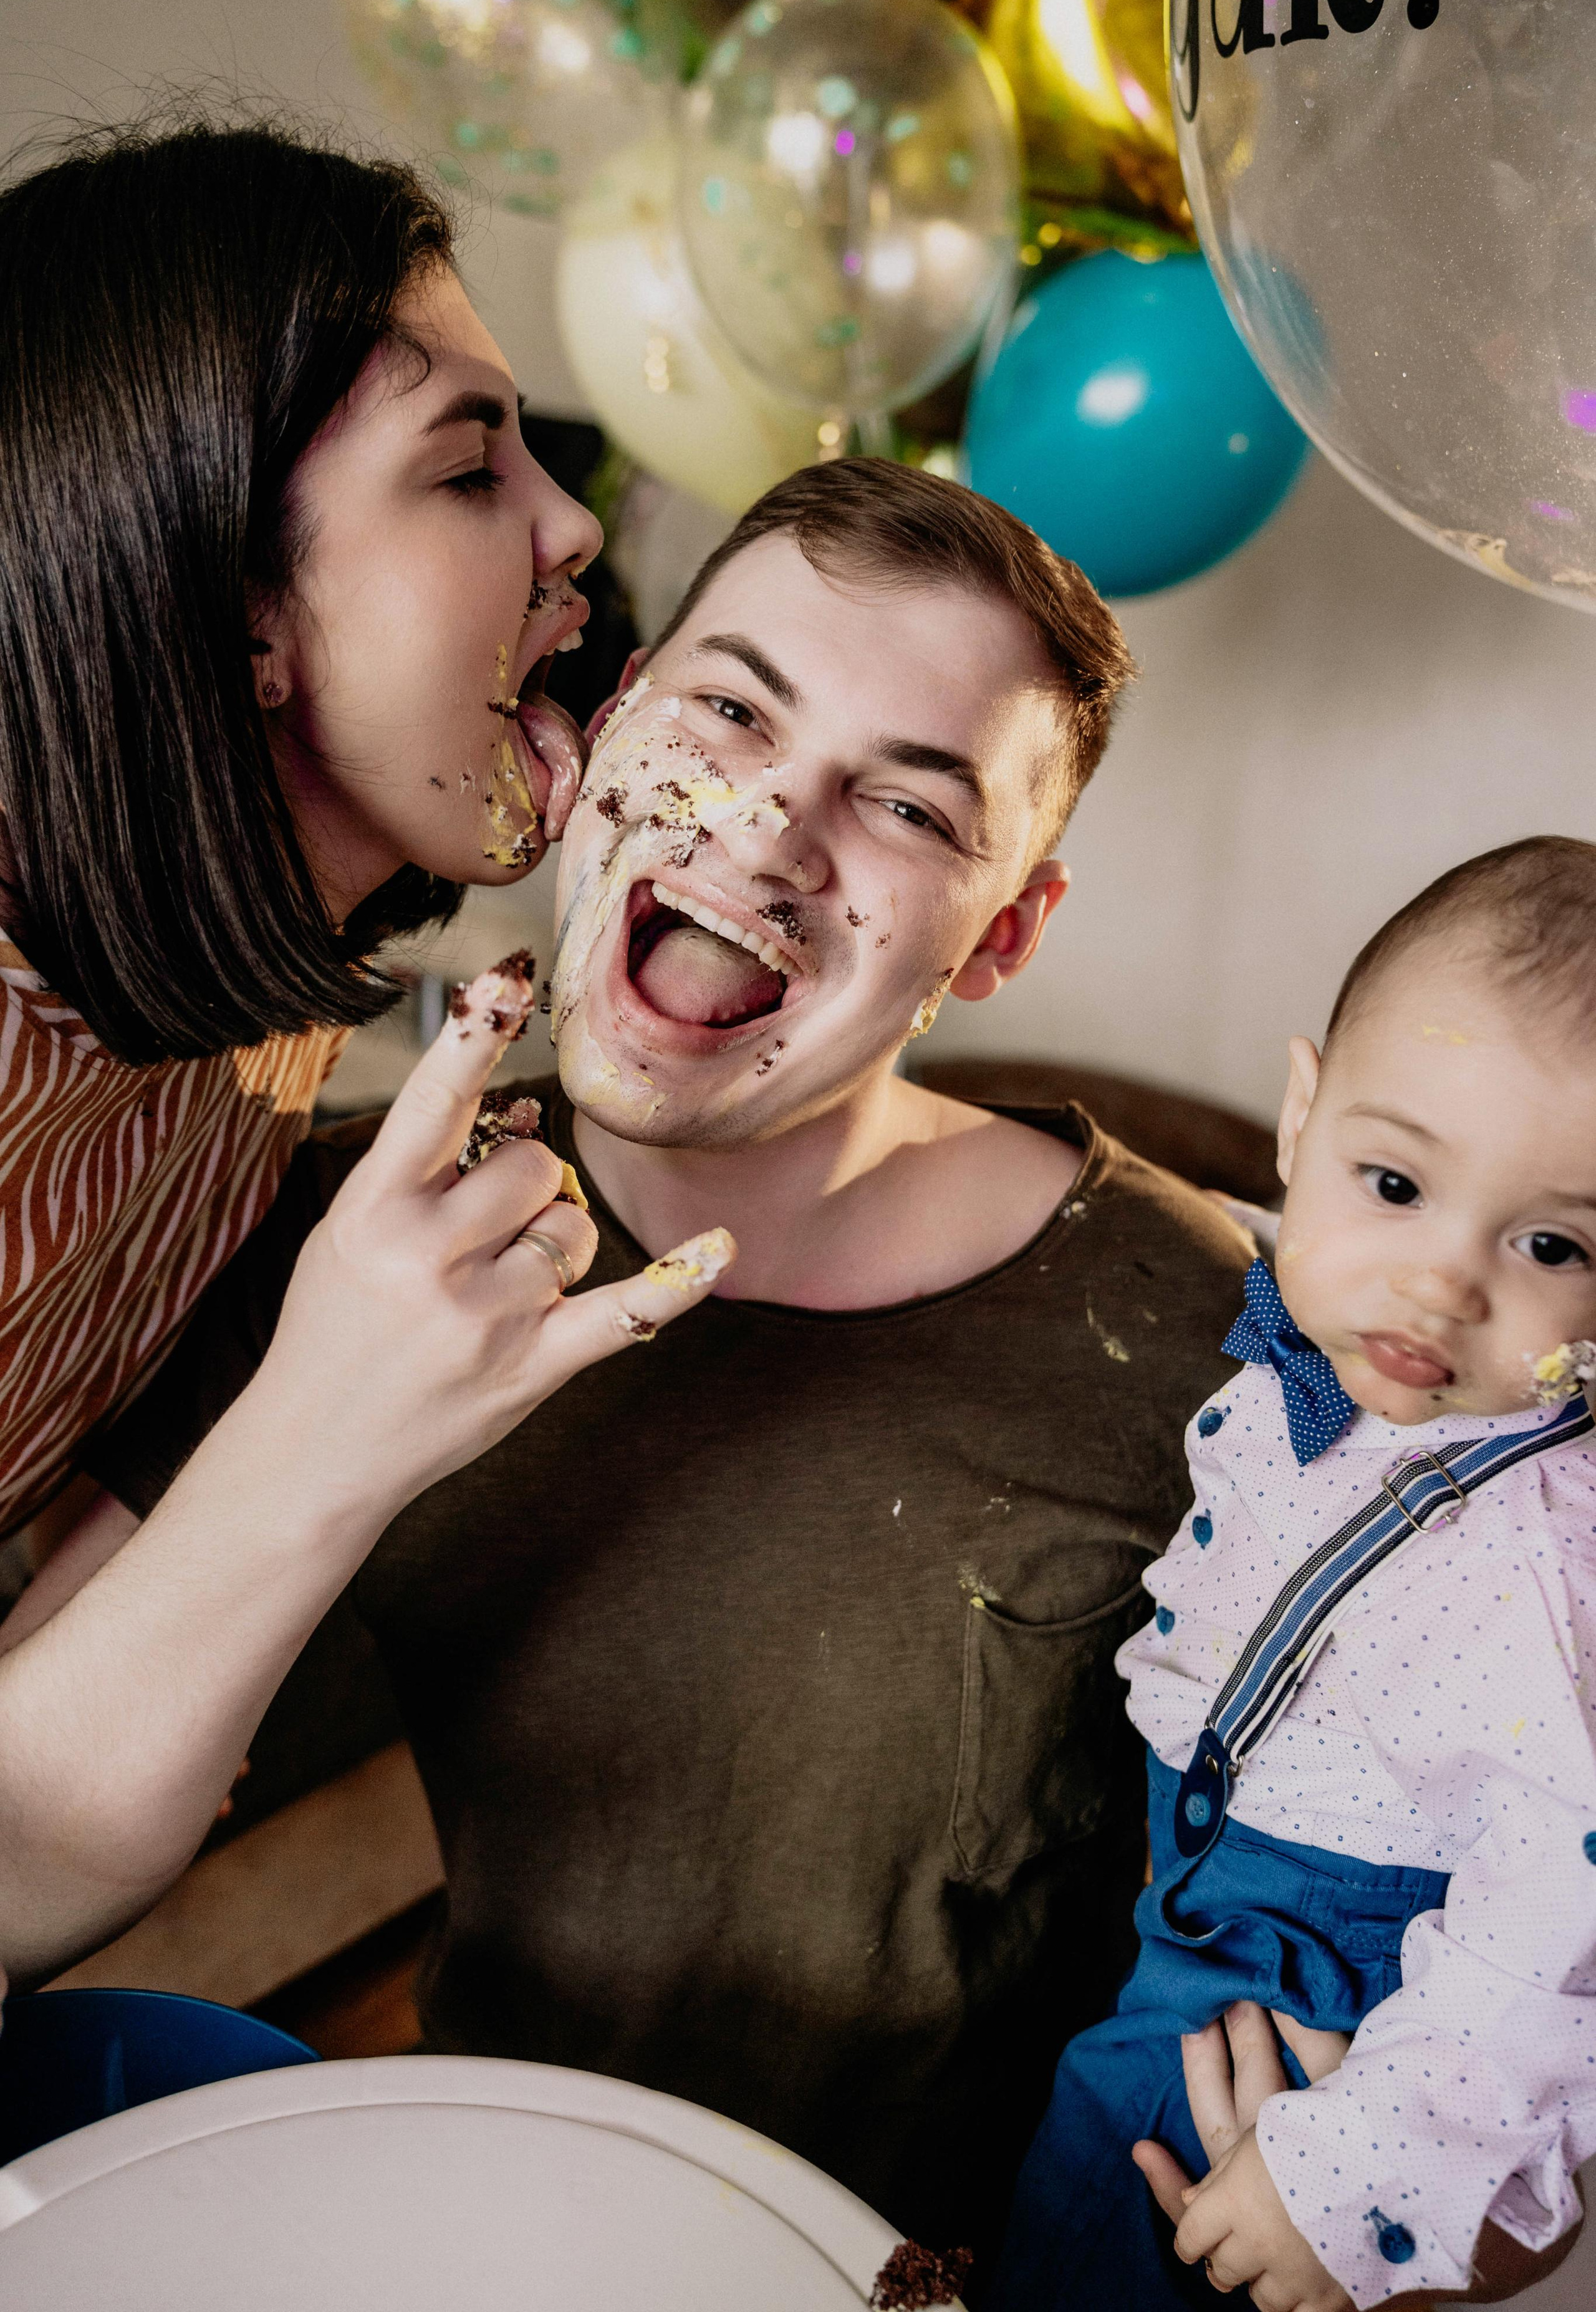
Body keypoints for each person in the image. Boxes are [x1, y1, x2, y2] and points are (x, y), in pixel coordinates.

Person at [75, 459, 1255, 2290]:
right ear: (616, 717)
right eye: (731, 712)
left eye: (907, 806)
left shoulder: (1215, 1338)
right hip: (513, 2222)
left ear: (1005, 935)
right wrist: (323, 1422)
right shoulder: (360, 1235)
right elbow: (37, 1820)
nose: (770, 837)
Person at [0, 112, 729, 1990]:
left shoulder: (251, 1004)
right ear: (235, 606)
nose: (573, 527)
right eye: (467, 467)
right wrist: (326, 1430)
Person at [993, 836, 1596, 2312]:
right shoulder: (1323, 1335)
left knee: (1110, 2204)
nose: (1439, 1282)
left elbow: (1557, 1906)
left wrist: (1357, 2174)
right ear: (1297, 1120)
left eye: (1549, 1245)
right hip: (1204, 1866)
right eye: (1391, 1182)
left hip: (1329, 1969)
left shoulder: (1539, 1548)